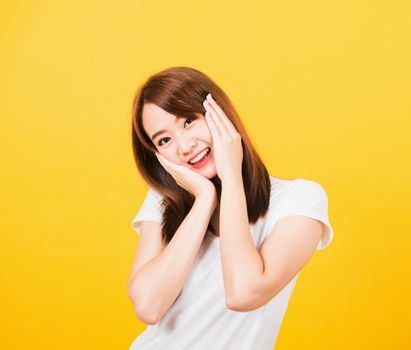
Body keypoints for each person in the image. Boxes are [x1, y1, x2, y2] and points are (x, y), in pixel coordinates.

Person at [127, 66, 334, 349]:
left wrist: (231, 176)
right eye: (164, 140)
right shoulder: (163, 200)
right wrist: (204, 199)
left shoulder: (298, 200)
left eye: (188, 121)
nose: (185, 146)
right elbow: (148, 307)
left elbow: (243, 293)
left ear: (219, 112)